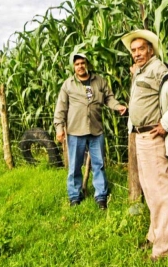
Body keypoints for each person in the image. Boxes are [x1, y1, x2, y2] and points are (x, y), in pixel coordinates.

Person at [121, 29, 168, 261]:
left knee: (160, 192)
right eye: (133, 50)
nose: (137, 53)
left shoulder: (158, 69)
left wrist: (164, 125)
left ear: (150, 50)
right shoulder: (143, 71)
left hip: (153, 138)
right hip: (141, 137)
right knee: (151, 191)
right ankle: (156, 236)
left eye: (141, 48)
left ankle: (167, 248)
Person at [54, 53, 127, 210]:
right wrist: (59, 128)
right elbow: (61, 108)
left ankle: (101, 196)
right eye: (77, 64)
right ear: (73, 67)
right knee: (74, 166)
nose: (80, 66)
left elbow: (109, 98)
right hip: (75, 130)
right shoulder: (68, 85)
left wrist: (118, 106)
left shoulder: (99, 81)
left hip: (96, 130)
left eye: (82, 63)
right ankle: (75, 196)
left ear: (87, 64)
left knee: (99, 164)